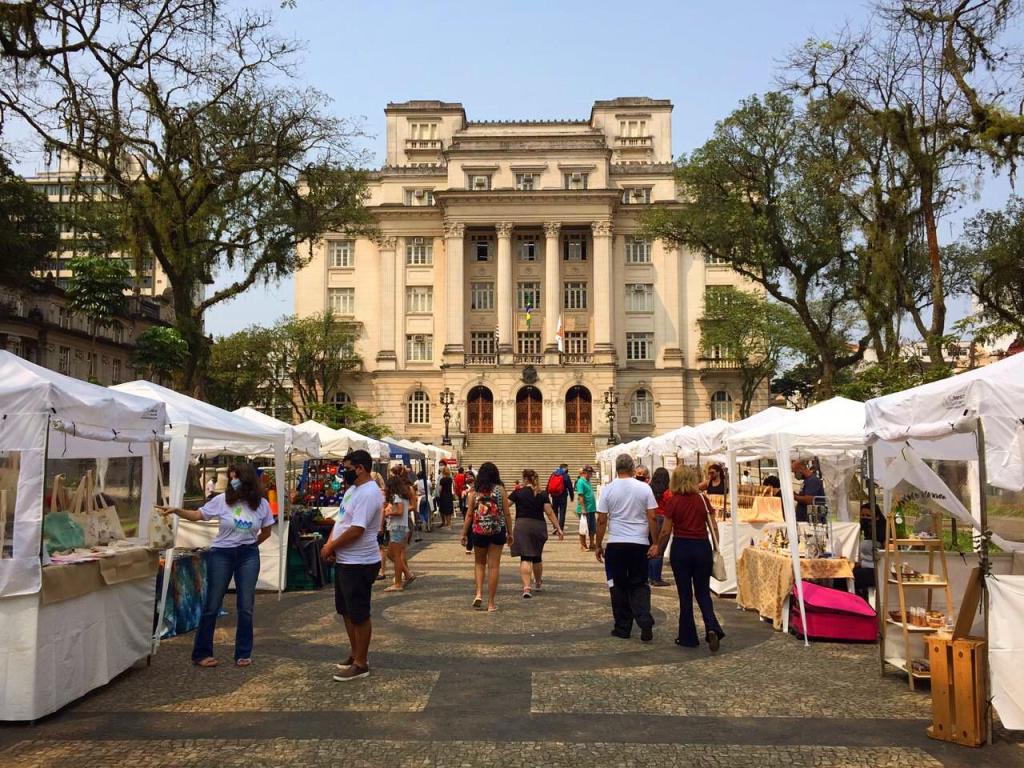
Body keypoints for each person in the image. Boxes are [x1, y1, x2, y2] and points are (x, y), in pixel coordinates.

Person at [157, 462, 274, 668]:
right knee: (212, 604)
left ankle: (243, 652)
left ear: (247, 480)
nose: (233, 481)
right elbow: (198, 515)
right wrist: (177, 510)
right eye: (230, 478)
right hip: (222, 554)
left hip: (248, 555)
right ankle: (202, 653)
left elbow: (266, 531)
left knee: (246, 606)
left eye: (236, 477)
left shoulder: (261, 504)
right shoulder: (222, 500)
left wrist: (252, 545)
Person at [320, 450, 383, 682]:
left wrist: (331, 546)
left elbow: (357, 529)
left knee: (359, 613)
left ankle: (361, 662)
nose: (343, 471)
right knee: (346, 610)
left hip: (360, 561)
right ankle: (355, 652)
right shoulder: (353, 490)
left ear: (360, 468)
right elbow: (342, 520)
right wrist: (331, 545)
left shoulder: (369, 493)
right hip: (346, 559)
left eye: (347, 467)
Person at [658, 464, 726, 652]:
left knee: (685, 594)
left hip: (681, 547)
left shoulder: (673, 501)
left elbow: (666, 530)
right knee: (703, 592)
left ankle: (687, 636)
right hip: (701, 546)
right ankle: (712, 626)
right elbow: (713, 525)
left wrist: (658, 547)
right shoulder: (702, 500)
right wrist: (714, 547)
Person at [595, 454, 660, 642]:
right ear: (632, 468)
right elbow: (652, 517)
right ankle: (644, 618)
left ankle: (623, 627)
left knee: (618, 585)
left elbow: (601, 520)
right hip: (639, 543)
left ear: (616, 469)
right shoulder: (644, 488)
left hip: (616, 542)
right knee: (639, 583)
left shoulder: (608, 490)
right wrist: (654, 542)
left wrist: (598, 544)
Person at [460, 461, 513, 612]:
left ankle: (478, 594)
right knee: (494, 566)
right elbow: (507, 513)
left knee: (479, 564)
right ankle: (491, 603)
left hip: (479, 531)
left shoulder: (474, 492)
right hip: (497, 530)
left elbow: (469, 515)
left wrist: (464, 533)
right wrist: (510, 532)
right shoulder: (500, 490)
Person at [509, 469, 564, 598]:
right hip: (538, 526)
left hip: (522, 525)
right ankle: (538, 583)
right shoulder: (542, 493)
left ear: (525, 479)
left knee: (525, 557)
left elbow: (506, 506)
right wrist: (558, 527)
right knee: (537, 556)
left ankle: (527, 587)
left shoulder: (518, 492)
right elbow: (549, 512)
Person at [383, 465, 416, 592]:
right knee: (391, 554)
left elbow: (400, 511)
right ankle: (407, 573)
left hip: (397, 527)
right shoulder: (404, 495)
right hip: (402, 527)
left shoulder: (397, 496)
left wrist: (388, 513)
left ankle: (398, 583)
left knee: (395, 556)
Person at [854, 502, 887, 600]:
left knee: (851, 579)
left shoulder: (882, 533)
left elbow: (883, 555)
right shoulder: (867, 532)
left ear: (876, 517)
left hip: (876, 571)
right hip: (865, 568)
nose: (865, 518)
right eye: (863, 515)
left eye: (868, 516)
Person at [648, 467, 671, 587]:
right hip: (663, 519)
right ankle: (656, 577)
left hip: (651, 518)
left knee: (650, 547)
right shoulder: (668, 492)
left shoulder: (649, 489)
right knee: (660, 548)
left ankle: (648, 575)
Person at [546, 463, 575, 534]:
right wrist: (572, 496)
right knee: (562, 512)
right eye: (567, 468)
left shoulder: (553, 474)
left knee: (554, 511)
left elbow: (549, 484)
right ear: (565, 468)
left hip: (554, 496)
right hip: (563, 496)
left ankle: (555, 528)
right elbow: (570, 487)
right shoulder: (565, 475)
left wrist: (546, 495)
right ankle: (560, 529)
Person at [575, 466, 598, 551]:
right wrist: (583, 508)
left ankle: (592, 543)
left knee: (592, 527)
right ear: (585, 473)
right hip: (584, 509)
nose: (591, 475)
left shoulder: (588, 481)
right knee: (584, 528)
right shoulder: (581, 482)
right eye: (590, 473)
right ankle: (583, 545)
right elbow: (581, 496)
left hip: (591, 508)